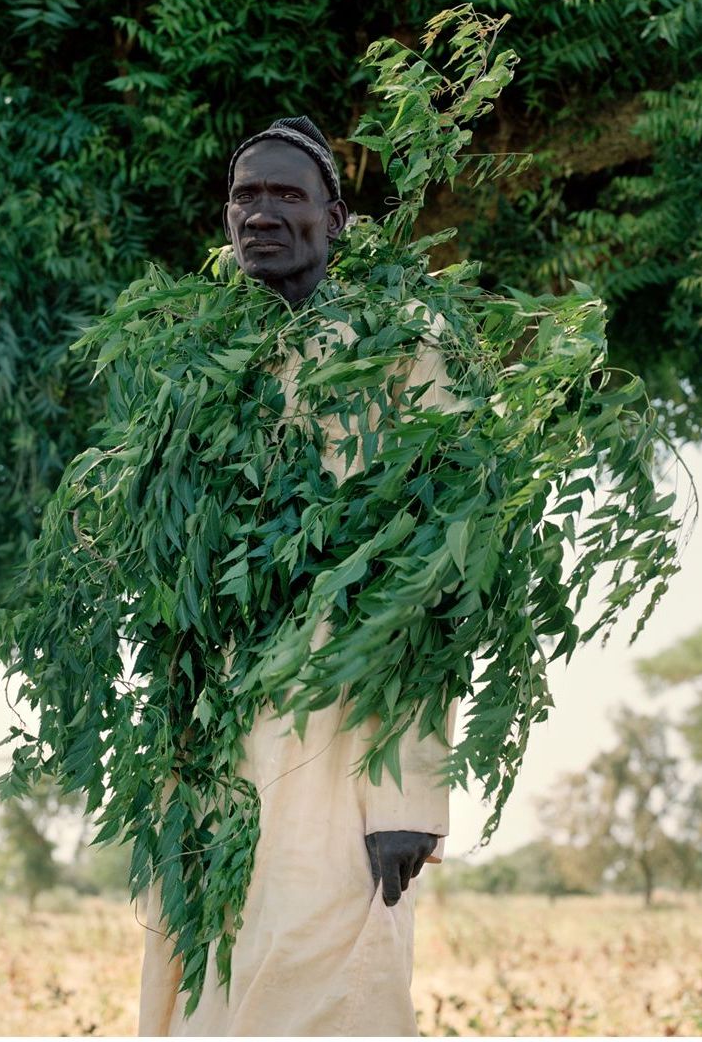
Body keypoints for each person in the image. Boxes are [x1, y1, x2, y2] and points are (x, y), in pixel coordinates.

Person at [138, 117, 459, 1037]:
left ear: (337, 219)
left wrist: (408, 795)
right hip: (217, 748)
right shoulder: (207, 366)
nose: (261, 213)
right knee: (209, 989)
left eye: (287, 195)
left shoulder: (404, 343)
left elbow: (431, 576)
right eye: (246, 196)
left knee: (325, 981)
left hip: (343, 739)